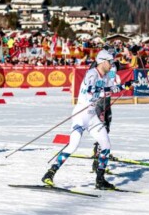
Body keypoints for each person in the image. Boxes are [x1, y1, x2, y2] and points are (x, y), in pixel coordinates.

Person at [41, 49, 131, 190]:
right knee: (73, 145)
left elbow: (110, 88)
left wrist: (127, 85)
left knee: (106, 145)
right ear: (103, 61)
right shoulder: (92, 74)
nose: (112, 64)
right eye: (110, 62)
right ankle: (49, 173)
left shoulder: (105, 75)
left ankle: (100, 180)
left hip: (92, 116)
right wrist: (108, 90)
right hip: (80, 115)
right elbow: (91, 90)